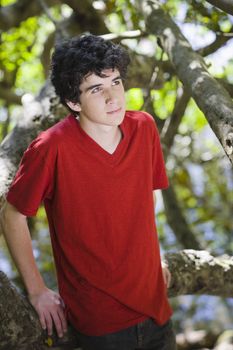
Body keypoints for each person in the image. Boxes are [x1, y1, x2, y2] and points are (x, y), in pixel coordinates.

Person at [1, 34, 176, 350]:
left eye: (117, 82)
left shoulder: (144, 128)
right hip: (100, 324)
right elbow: (12, 215)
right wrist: (38, 290)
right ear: (73, 101)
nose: (113, 98)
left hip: (157, 308)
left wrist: (156, 254)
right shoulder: (50, 149)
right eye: (97, 89)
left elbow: (143, 201)